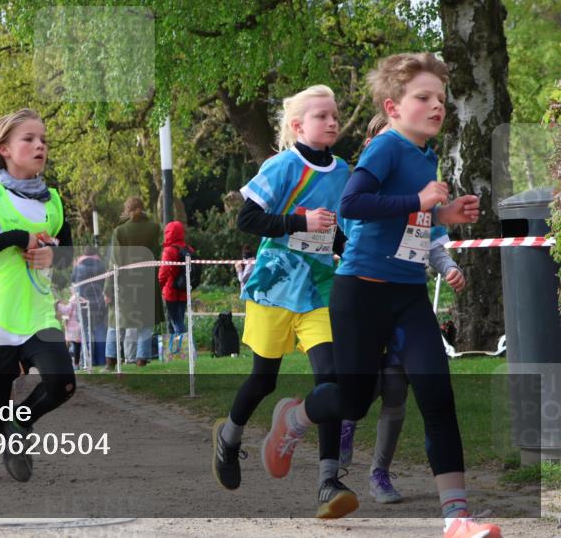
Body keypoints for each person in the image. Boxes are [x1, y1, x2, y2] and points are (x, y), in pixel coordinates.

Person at [258, 54, 498, 538]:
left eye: (441, 98)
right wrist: (419, 201)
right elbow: (352, 204)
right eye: (423, 97)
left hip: (408, 294)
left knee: (437, 395)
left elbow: (405, 219)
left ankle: (456, 518)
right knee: (352, 401)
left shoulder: (426, 154)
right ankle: (295, 417)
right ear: (393, 107)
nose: (437, 106)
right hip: (361, 292)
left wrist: (443, 215)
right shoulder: (386, 147)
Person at [211, 84, 354, 519]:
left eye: (335, 115)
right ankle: (228, 439)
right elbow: (247, 218)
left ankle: (328, 482)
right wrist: (300, 221)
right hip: (275, 284)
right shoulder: (283, 165)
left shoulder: (344, 171)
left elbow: (339, 233)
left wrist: (356, 255)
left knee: (331, 380)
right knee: (264, 379)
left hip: (319, 288)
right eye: (321, 116)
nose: (332, 121)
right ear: (297, 125)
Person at [0, 108, 76, 526]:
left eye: (43, 139)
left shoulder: (54, 201)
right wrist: (17, 238)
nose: (40, 145)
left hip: (39, 312)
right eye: (29, 139)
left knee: (62, 383)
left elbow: (67, 257)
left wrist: (54, 256)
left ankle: (20, 426)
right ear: (4, 149)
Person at [338, 113, 468, 506]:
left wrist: (449, 267)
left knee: (399, 389)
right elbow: (354, 226)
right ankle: (341, 426)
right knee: (358, 391)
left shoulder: (421, 184)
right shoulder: (363, 196)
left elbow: (433, 240)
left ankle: (380, 472)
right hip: (365, 297)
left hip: (406, 301)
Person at [104, 196, 162, 368]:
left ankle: (111, 361)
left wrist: (108, 289)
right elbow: (157, 254)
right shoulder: (155, 228)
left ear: (127, 210)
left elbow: (115, 263)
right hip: (148, 283)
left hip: (125, 284)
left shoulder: (120, 232)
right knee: (145, 323)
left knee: (116, 322)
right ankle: (141, 360)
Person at [158, 220, 194, 342]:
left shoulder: (169, 251)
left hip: (170, 292)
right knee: (179, 319)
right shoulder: (189, 249)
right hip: (184, 292)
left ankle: (189, 346)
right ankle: (176, 348)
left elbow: (163, 273)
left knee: (175, 322)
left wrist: (158, 287)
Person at [71, 247, 107, 366]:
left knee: (85, 332)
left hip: (83, 303)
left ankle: (88, 361)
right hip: (99, 303)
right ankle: (102, 360)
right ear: (95, 254)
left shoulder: (77, 267)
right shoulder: (102, 266)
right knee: (100, 331)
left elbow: (73, 284)